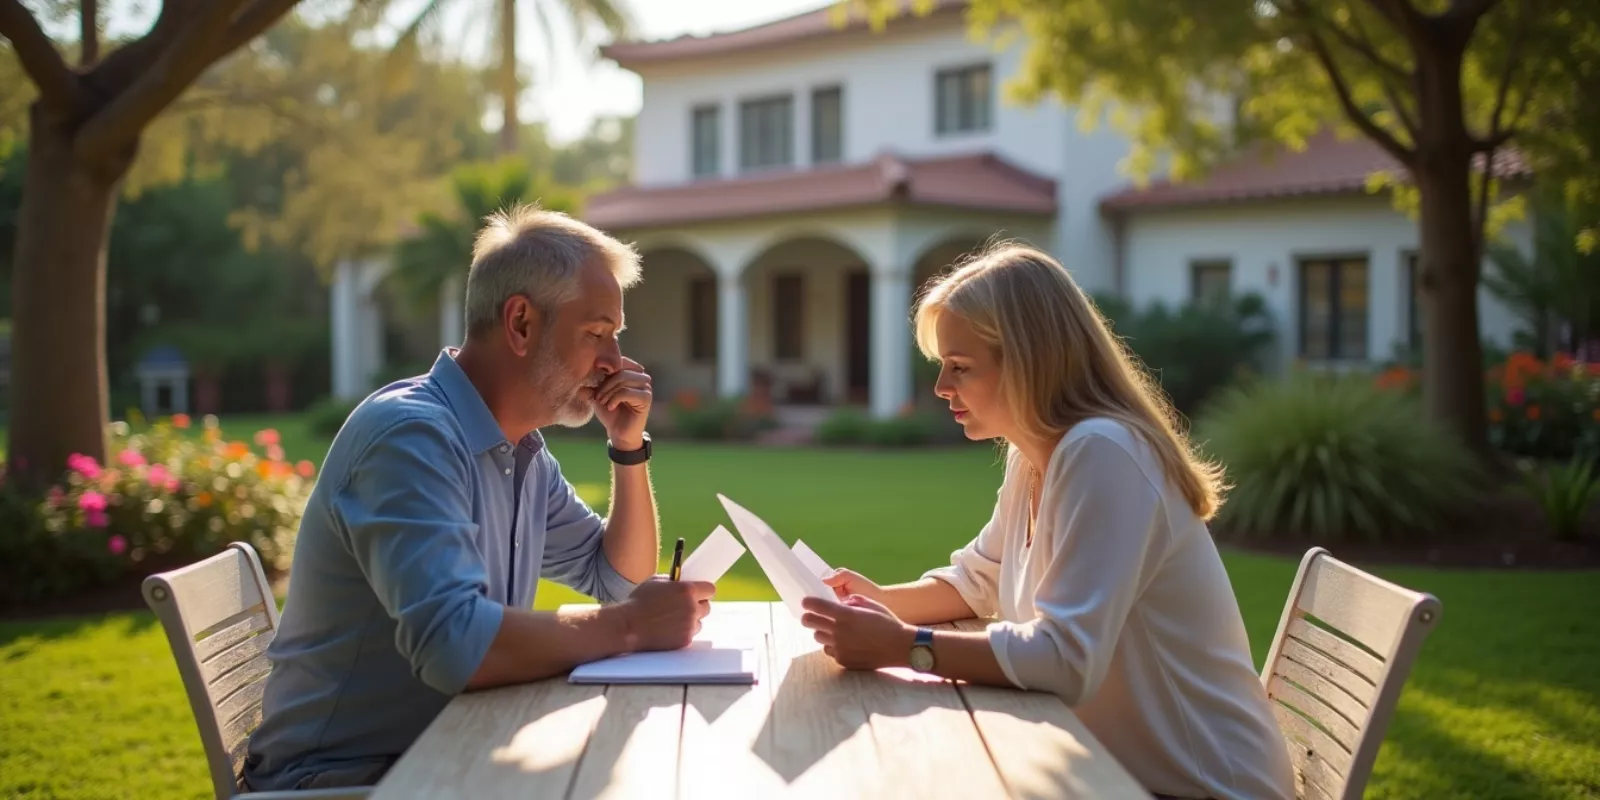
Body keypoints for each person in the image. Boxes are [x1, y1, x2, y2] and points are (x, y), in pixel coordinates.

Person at [240, 205, 714, 792]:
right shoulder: (411, 438)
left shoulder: (520, 452)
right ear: (520, 323)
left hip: (447, 752)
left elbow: (617, 578)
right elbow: (455, 647)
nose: (614, 362)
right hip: (345, 781)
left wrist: (628, 446)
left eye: (615, 337)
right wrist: (632, 628)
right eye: (596, 333)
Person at [799, 243, 1295, 800]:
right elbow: (978, 581)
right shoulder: (1036, 455)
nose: (941, 387)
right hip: (1110, 772)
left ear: (1031, 364)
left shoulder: (1104, 453)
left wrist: (902, 646)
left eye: (960, 368)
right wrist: (878, 604)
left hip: (1203, 787)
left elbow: (1066, 658)